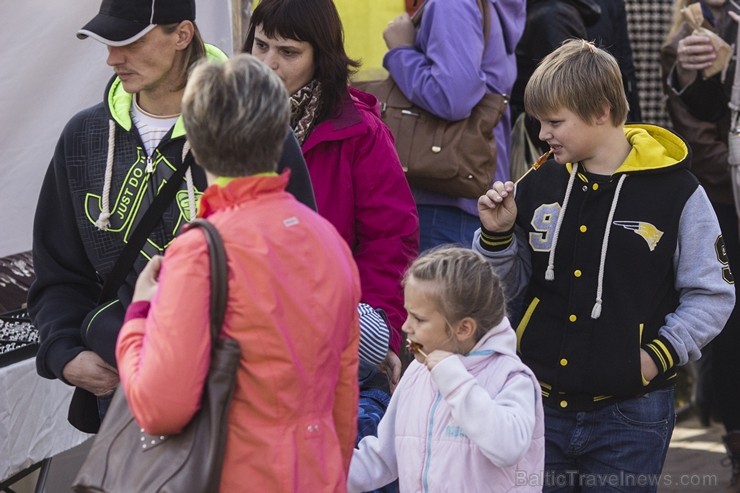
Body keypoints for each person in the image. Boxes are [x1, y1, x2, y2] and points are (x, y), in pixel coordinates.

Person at [28, 0, 315, 433]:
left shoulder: (255, 129)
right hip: (126, 394)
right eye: (108, 42)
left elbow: (301, 266)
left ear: (181, 35)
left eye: (130, 41)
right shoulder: (83, 137)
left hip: (239, 399)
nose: (112, 58)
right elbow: (57, 272)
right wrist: (64, 353)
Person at [475, 39, 735, 492]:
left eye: (555, 122)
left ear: (600, 111)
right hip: (536, 405)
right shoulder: (537, 183)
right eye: (540, 121)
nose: (542, 135)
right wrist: (496, 236)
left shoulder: (677, 191)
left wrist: (657, 357)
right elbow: (505, 291)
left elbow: (712, 292)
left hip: (632, 415)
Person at [116, 53, 360, 492]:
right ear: (277, 135)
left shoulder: (200, 252)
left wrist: (138, 316)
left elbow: (160, 408)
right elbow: (343, 400)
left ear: (194, 141)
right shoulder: (329, 242)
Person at [243, 0, 419, 363]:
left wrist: (377, 334)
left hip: (327, 341)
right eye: (261, 45)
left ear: (320, 57)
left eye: (288, 52)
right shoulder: (225, 117)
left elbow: (390, 244)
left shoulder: (360, 133)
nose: (268, 63)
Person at [347, 246, 545, 493]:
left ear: (463, 329)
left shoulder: (512, 378)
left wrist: (453, 378)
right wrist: (319, 472)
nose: (406, 326)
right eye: (408, 314)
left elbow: (508, 447)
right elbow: (382, 457)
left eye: (419, 319)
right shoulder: (418, 373)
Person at [661, 1, 740, 490]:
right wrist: (697, 73)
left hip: (723, 194)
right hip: (721, 205)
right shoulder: (687, 34)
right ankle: (734, 443)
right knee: (728, 329)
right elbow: (694, 125)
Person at [380, 0, 525, 252]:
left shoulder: (453, 4)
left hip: (443, 192)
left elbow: (453, 97)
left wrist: (401, 51)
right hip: (473, 183)